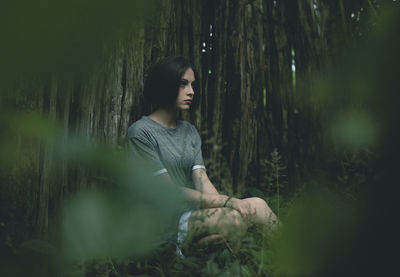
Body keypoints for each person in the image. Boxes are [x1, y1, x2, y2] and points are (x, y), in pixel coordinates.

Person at [127, 56, 277, 256]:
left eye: (193, 85)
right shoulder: (141, 132)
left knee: (257, 205)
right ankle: (190, 257)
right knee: (233, 220)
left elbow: (201, 178)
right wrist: (227, 203)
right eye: (183, 84)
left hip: (191, 215)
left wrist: (223, 210)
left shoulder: (189, 131)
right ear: (165, 85)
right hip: (162, 224)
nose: (191, 91)